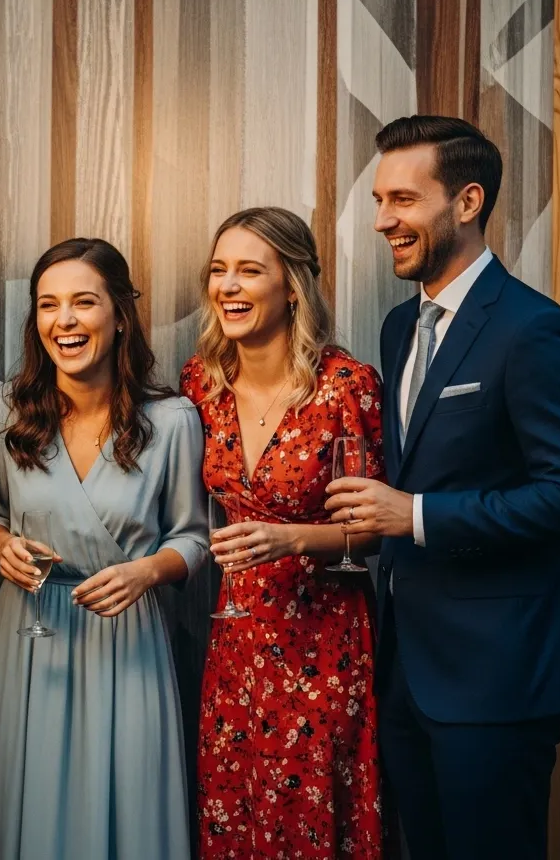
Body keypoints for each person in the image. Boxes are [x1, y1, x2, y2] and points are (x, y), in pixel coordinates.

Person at [325, 116, 560, 860]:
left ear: (468, 200)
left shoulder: (532, 330)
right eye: (381, 200)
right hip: (408, 672)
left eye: (404, 201)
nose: (384, 219)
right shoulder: (395, 327)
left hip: (498, 680)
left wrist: (413, 514)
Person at [0, 237, 209, 860]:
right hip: (30, 636)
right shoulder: (3, 408)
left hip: (126, 639)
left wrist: (146, 571)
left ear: (120, 314)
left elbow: (194, 536)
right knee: (28, 806)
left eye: (83, 302)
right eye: (48, 305)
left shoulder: (173, 420)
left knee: (128, 809)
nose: (64, 321)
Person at [181, 206, 384, 860]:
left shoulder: (346, 386)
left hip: (322, 643)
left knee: (309, 821)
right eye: (219, 271)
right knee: (233, 813)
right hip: (236, 643)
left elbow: (372, 532)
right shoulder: (201, 386)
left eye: (249, 270)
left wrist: (291, 538)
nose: (229, 286)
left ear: (292, 284)